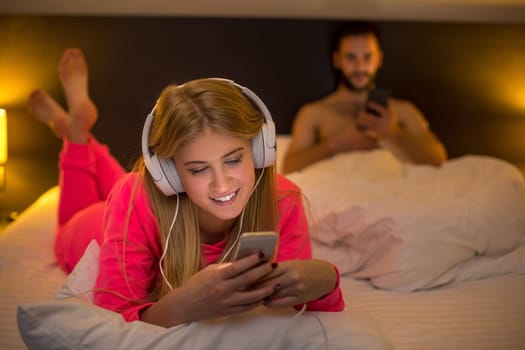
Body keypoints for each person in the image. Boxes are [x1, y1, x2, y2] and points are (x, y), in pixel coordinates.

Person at [28, 48, 344, 328]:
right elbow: (114, 316)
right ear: (169, 173)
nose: (222, 184)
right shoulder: (135, 197)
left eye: (233, 160)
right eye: (197, 169)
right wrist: (182, 306)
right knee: (76, 217)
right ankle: (75, 136)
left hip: (140, 205)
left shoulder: (283, 197)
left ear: (260, 150)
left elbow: (302, 306)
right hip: (91, 226)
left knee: (129, 186)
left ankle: (75, 129)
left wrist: (328, 280)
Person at [282, 21, 447, 174]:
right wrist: (334, 144)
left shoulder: (402, 111)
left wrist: (394, 133)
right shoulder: (314, 113)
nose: (360, 67)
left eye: (367, 57)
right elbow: (289, 168)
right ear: (337, 60)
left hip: (393, 193)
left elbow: (437, 159)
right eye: (351, 57)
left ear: (379, 59)